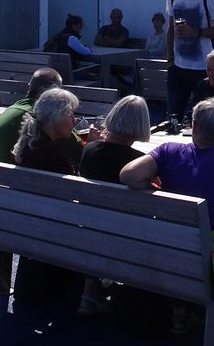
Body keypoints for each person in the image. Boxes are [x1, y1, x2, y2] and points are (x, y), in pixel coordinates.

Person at [120, 97, 214, 329]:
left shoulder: (168, 151)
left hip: (171, 249)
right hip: (212, 259)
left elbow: (128, 175)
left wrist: (158, 192)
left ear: (194, 126)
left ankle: (182, 308)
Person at [77, 95, 152, 315]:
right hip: (126, 236)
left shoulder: (89, 150)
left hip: (89, 231)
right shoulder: (138, 160)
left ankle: (89, 291)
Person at [11, 87, 83, 304]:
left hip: (26, 220)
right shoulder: (51, 155)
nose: (74, 120)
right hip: (51, 226)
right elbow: (76, 194)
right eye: (71, 114)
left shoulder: (28, 144)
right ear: (57, 117)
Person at [0, 67, 63, 163]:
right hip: (7, 176)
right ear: (50, 94)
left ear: (29, 87)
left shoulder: (12, 109)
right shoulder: (40, 114)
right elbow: (76, 149)